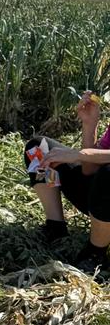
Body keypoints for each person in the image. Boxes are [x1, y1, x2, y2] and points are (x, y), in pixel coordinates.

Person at [26, 91, 110, 271]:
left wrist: (80, 154)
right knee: (39, 149)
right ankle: (56, 227)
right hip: (101, 199)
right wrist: (90, 124)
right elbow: (89, 170)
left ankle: (96, 253)